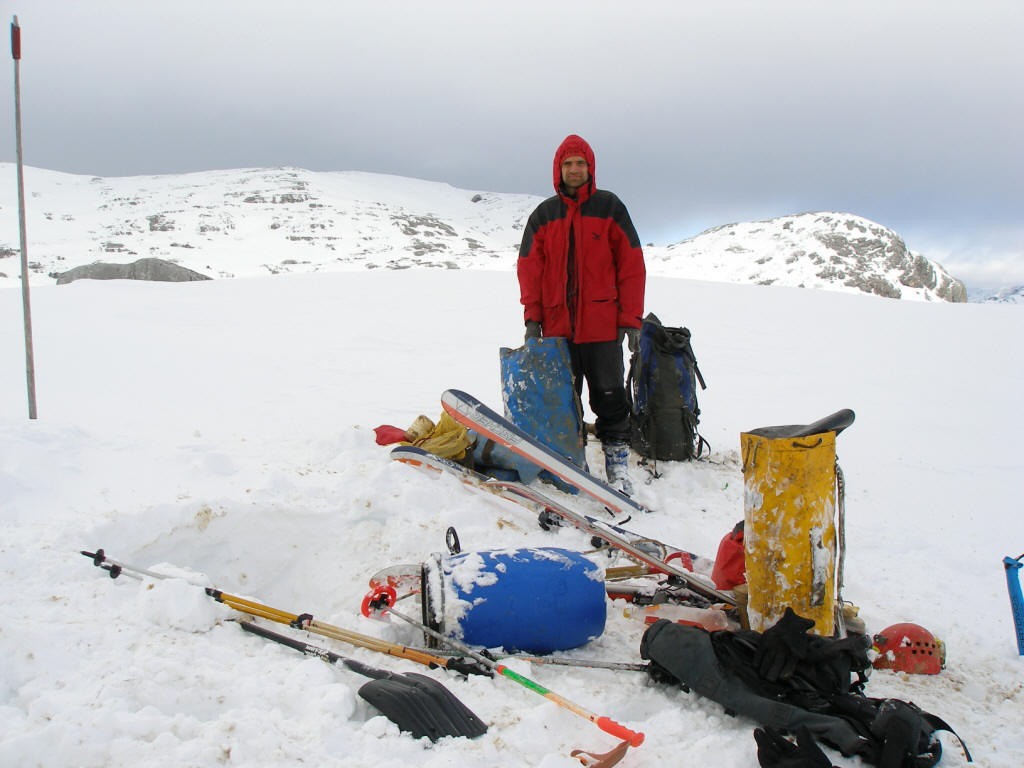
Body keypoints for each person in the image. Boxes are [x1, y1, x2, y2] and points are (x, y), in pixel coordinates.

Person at [517, 134, 646, 495]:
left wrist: (630, 320)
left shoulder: (610, 208)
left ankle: (617, 464)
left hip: (604, 327)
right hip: (558, 328)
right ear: (558, 170)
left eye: (581, 163)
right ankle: (574, 463)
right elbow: (529, 268)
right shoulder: (544, 215)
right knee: (565, 399)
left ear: (591, 168)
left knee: (609, 395)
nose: (575, 169)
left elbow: (632, 265)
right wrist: (533, 318)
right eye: (568, 164)